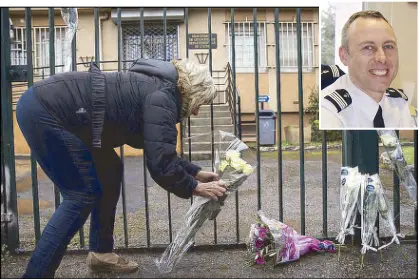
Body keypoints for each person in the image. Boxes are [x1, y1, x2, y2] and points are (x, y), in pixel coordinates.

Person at [16, 58, 227, 278]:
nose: (196, 112)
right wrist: (194, 187)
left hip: (67, 115)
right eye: (199, 103)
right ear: (192, 93)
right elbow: (161, 165)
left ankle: (101, 253)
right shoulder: (162, 97)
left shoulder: (157, 88)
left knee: (110, 170)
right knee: (80, 194)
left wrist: (195, 172)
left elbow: (158, 150)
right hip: (47, 111)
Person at [320, 10, 416, 129]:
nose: (382, 58)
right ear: (344, 56)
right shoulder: (328, 110)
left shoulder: (399, 104)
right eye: (368, 47)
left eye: (388, 46)